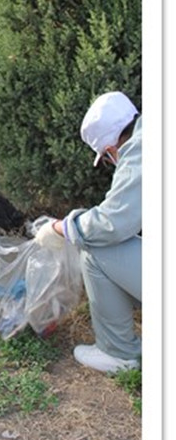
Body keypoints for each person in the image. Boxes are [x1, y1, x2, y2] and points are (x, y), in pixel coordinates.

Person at [34, 91, 142, 374]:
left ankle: (117, 353)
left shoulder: (140, 152)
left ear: (110, 149)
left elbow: (112, 223)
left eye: (107, 158)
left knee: (95, 247)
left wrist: (62, 228)